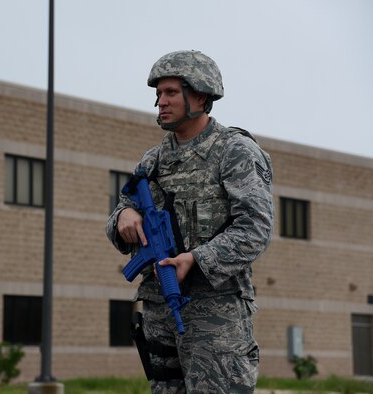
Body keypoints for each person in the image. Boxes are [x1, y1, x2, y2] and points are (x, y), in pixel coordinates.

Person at [106, 50, 274, 393]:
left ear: (199, 95)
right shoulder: (154, 160)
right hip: (159, 310)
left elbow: (255, 228)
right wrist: (123, 216)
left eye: (170, 92)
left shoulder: (233, 151)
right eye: (158, 94)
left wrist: (196, 259)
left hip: (215, 314)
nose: (160, 102)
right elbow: (119, 213)